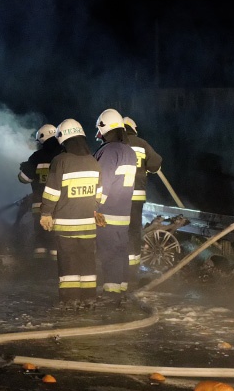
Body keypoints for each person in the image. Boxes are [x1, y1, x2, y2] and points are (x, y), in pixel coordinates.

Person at [39, 119, 104, 306]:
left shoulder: (60, 161)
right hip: (88, 225)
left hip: (66, 225)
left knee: (68, 262)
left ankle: (70, 300)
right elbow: (99, 194)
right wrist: (94, 209)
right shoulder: (93, 162)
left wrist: (45, 214)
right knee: (88, 262)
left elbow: (52, 192)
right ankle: (89, 299)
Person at [93, 109, 138, 297]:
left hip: (107, 213)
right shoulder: (129, 151)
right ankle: (121, 288)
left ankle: (111, 294)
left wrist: (94, 207)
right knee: (121, 252)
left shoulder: (109, 151)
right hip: (123, 213)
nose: (99, 135)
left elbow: (102, 182)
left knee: (109, 254)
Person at [122, 116, 163, 282]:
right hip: (136, 197)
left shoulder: (113, 145)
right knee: (133, 231)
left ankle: (116, 267)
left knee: (116, 232)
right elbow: (155, 165)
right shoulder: (142, 144)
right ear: (134, 129)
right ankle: (132, 270)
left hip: (116, 198)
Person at [18, 123, 63, 260]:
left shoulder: (36, 157)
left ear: (43, 139)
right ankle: (56, 269)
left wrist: (24, 167)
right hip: (60, 206)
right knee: (57, 238)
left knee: (41, 238)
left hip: (40, 206)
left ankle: (39, 269)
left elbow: (24, 178)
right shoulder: (64, 155)